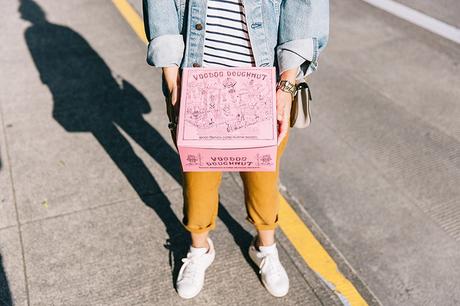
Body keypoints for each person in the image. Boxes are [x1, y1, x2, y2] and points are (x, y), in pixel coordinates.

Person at [143, 0, 329, 299]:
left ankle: (265, 247)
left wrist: (287, 85)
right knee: (198, 177)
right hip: (198, 75)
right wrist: (171, 76)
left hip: (266, 80)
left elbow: (303, 8)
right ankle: (199, 248)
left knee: (263, 176)